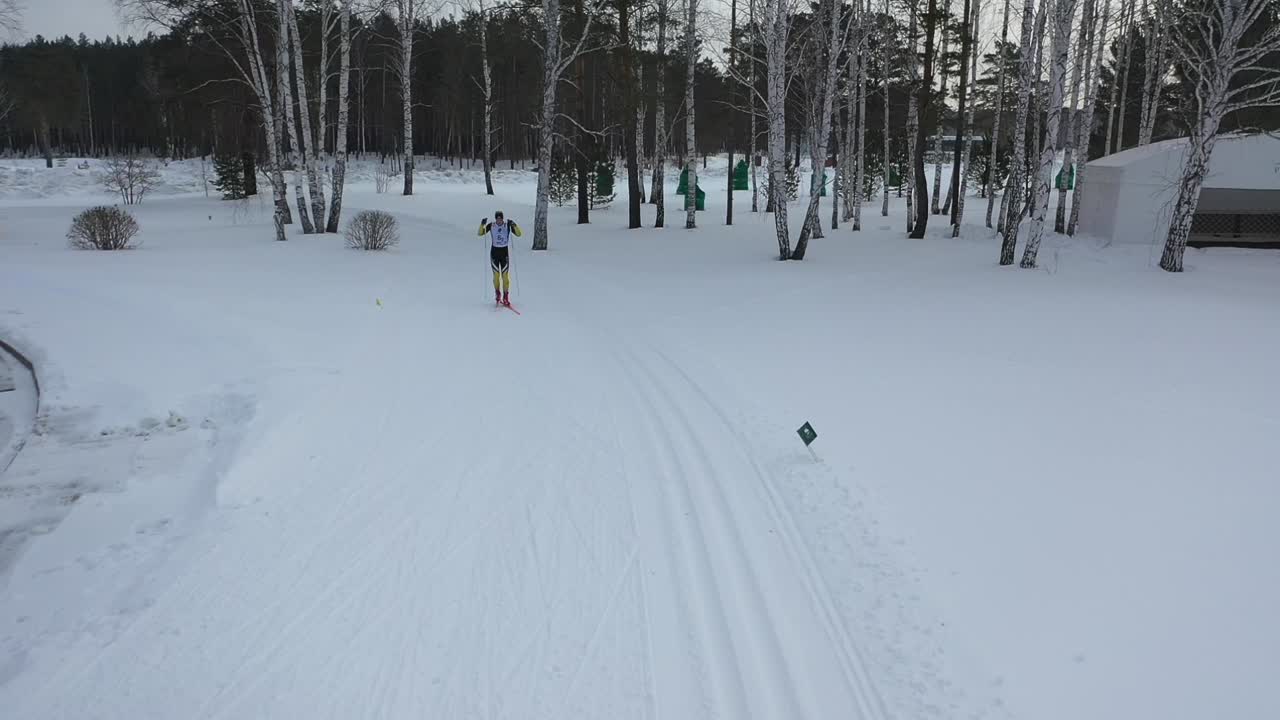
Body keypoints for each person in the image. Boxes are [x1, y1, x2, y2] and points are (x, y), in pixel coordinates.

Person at [478, 210, 522, 306]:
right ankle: (497, 293)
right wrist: (482, 225)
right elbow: (480, 233)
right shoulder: (492, 225)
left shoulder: (507, 225)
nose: (499, 221)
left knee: (505, 277)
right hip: (494, 253)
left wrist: (514, 225)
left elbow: (519, 234)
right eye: (497, 219)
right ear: (495, 219)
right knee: (496, 276)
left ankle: (506, 296)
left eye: (500, 219)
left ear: (502, 218)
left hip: (504, 253)